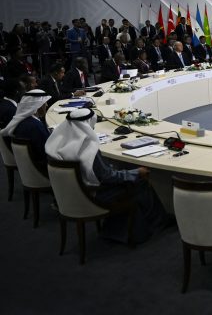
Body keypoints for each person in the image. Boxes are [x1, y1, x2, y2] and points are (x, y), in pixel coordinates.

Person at [45, 108, 171, 243]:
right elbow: (107, 177)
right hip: (95, 195)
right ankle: (158, 223)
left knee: (126, 172)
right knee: (140, 180)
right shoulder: (87, 149)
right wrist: (136, 172)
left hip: (71, 195)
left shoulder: (57, 146)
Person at [0, 90, 51, 175]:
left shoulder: (19, 122)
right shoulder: (36, 127)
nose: (47, 105)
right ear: (37, 106)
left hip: (28, 167)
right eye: (44, 103)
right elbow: (47, 152)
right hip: (42, 170)